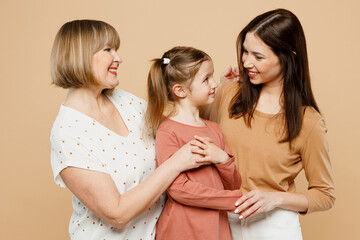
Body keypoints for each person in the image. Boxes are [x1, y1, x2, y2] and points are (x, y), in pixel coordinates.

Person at [50, 20, 215, 239]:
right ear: (80, 54)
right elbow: (117, 213)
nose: (118, 58)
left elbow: (184, 130)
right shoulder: (68, 133)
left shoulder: (125, 101)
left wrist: (224, 92)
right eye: (108, 49)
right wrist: (176, 164)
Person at [208, 9, 335, 239]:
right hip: (221, 220)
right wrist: (217, 92)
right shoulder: (229, 92)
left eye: (258, 56)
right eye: (245, 52)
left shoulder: (309, 121)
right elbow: (205, 144)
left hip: (274, 226)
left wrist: (275, 198)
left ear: (289, 57)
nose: (246, 62)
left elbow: (325, 194)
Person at [145, 46, 242, 240]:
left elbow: (233, 184)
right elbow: (179, 190)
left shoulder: (214, 128)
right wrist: (235, 200)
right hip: (182, 230)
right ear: (180, 90)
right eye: (206, 79)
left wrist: (222, 159)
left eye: (212, 77)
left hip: (216, 228)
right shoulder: (167, 131)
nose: (215, 84)